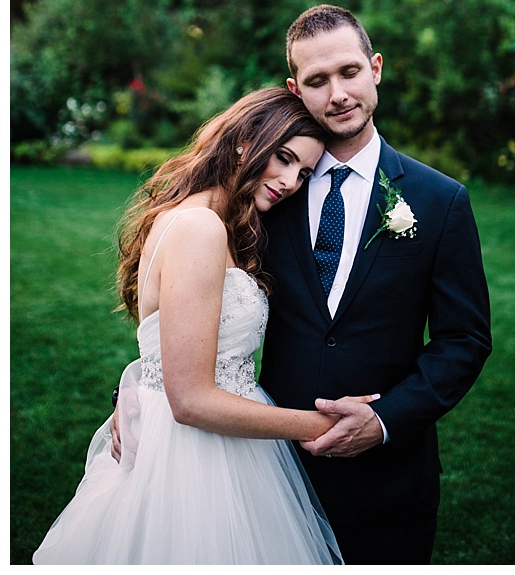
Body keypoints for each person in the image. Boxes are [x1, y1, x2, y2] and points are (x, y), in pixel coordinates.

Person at [34, 87, 352, 564]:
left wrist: (135, 382)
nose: (289, 181)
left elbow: (166, 351)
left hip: (215, 446)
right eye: (284, 159)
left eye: (304, 172)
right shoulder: (199, 228)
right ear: (247, 141)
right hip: (194, 459)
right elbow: (191, 400)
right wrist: (325, 425)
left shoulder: (212, 223)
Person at [256, 4, 492, 563]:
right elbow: (193, 307)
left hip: (390, 483)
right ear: (295, 90)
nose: (337, 94)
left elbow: (465, 340)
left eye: (349, 72)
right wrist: (137, 389)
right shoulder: (268, 193)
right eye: (316, 81)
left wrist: (384, 420)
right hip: (269, 471)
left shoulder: (440, 201)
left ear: (376, 68)